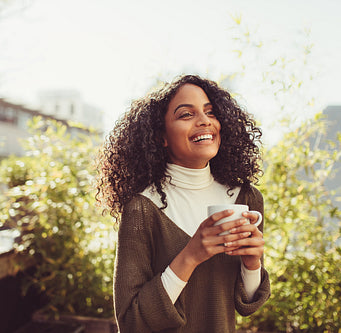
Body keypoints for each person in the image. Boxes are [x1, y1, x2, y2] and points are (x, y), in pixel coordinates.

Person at [96, 74, 270, 333]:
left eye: (210, 112)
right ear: (161, 137)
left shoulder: (245, 198)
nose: (204, 121)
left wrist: (252, 262)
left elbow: (248, 305)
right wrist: (190, 256)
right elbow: (131, 322)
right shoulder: (142, 208)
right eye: (186, 115)